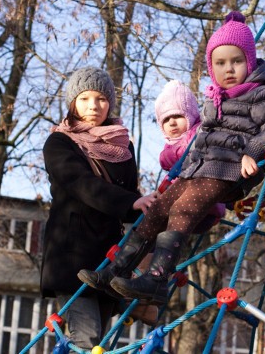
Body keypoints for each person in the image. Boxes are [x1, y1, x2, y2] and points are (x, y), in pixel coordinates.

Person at [80, 10, 265, 306]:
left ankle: (156, 279)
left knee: (183, 209)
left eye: (237, 61)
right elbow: (201, 139)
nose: (228, 69)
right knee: (158, 209)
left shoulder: (260, 95)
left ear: (250, 61)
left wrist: (251, 154)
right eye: (220, 63)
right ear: (211, 66)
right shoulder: (214, 99)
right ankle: (117, 269)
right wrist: (187, 170)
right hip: (200, 169)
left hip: (231, 170)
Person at [41, 66, 156, 348]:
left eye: (101, 99)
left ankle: (137, 302)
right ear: (73, 103)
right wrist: (130, 202)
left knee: (99, 343)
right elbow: (81, 184)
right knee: (86, 336)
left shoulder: (121, 147)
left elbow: (129, 196)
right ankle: (135, 305)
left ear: (110, 104)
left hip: (108, 261)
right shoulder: (60, 142)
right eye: (84, 98)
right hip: (71, 257)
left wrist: (143, 205)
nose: (93, 106)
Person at [154, 79, 226, 233]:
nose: (172, 123)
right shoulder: (169, 147)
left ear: (191, 115)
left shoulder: (199, 134)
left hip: (203, 204)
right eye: (166, 119)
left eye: (178, 116)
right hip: (180, 205)